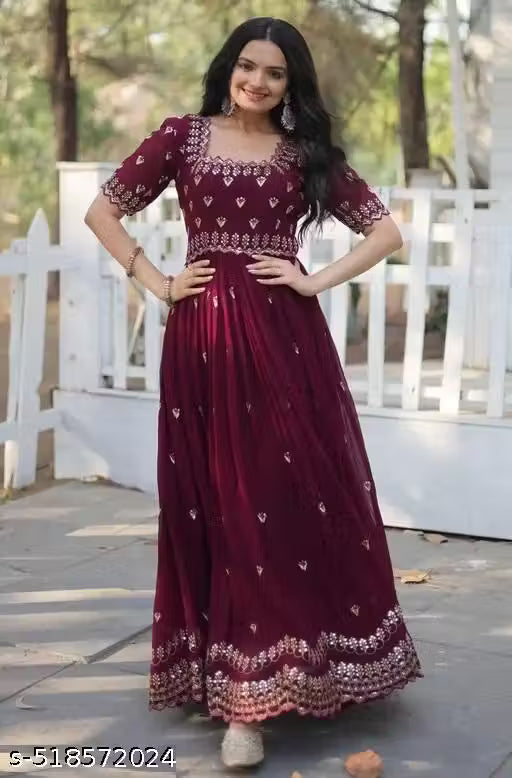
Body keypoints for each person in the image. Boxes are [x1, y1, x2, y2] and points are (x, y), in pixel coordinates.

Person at [85, 16, 422, 770]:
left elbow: (385, 233)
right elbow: (102, 210)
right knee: (217, 499)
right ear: (228, 68)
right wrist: (157, 280)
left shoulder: (304, 154)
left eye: (275, 72)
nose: (258, 82)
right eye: (248, 66)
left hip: (283, 341)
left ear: (291, 84)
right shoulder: (181, 137)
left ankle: (272, 678)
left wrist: (312, 279)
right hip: (202, 342)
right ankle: (237, 687)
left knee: (277, 494)